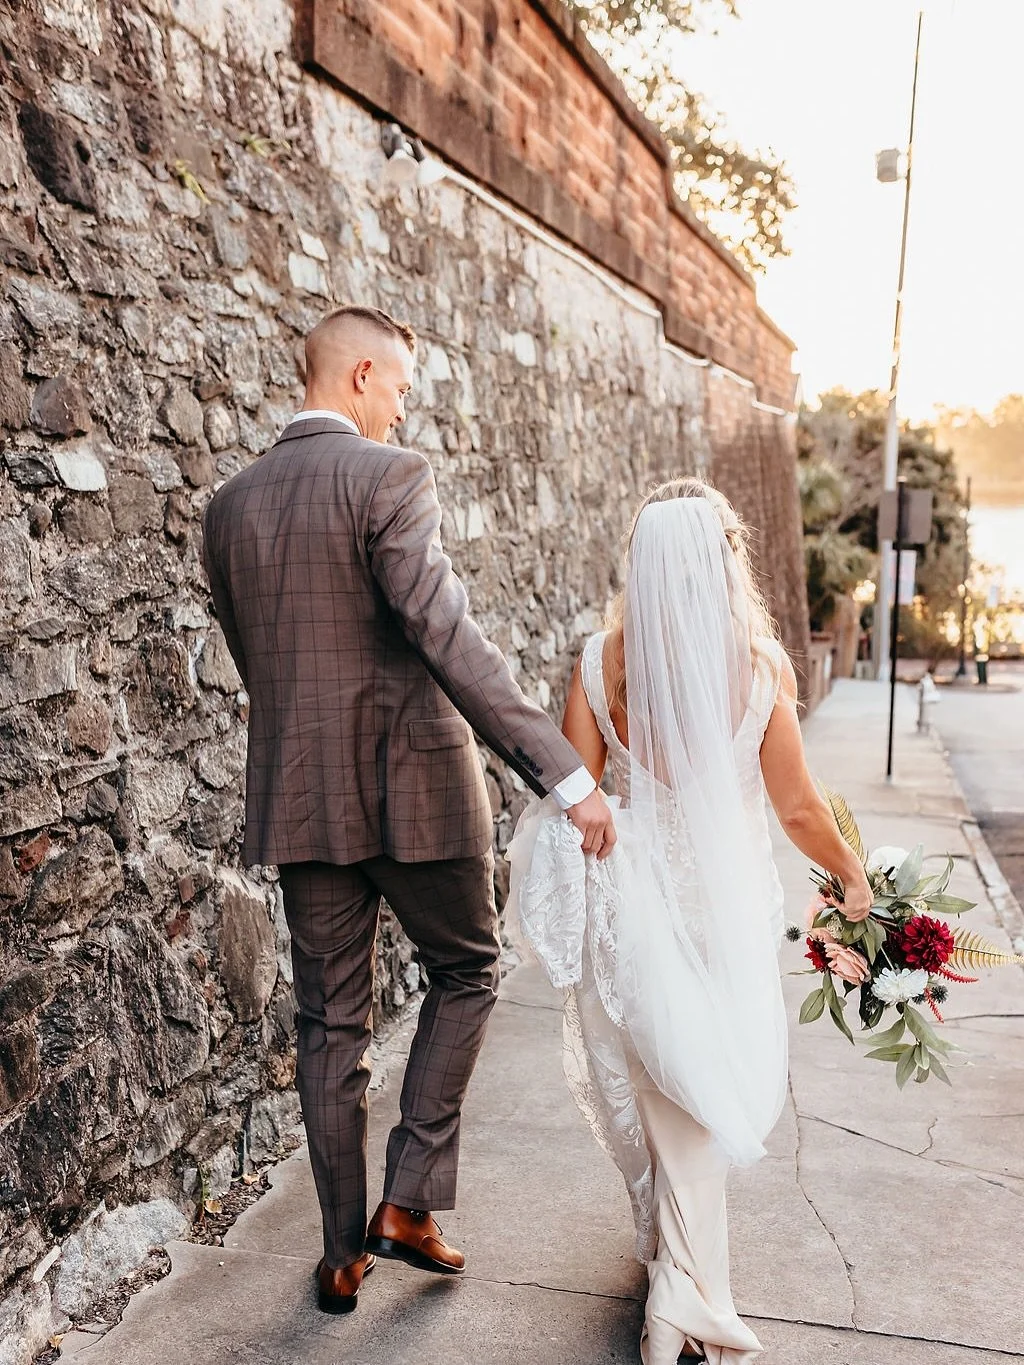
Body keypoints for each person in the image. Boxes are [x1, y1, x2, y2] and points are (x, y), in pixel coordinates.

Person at [201, 304, 615, 1314]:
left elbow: (264, 663)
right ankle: (410, 1201)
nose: (400, 408)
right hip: (416, 791)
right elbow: (446, 637)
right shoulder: (388, 479)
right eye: (398, 388)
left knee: (328, 1022)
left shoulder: (228, 506)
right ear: (359, 378)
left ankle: (341, 1251)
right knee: (468, 969)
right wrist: (565, 774)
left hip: (301, 800)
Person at [508, 477, 872, 1364]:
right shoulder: (757, 668)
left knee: (673, 1089)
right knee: (694, 1093)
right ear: (721, 569)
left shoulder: (601, 663)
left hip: (634, 903)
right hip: (725, 910)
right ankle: (683, 1296)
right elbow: (795, 808)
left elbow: (575, 792)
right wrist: (851, 872)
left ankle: (681, 1292)